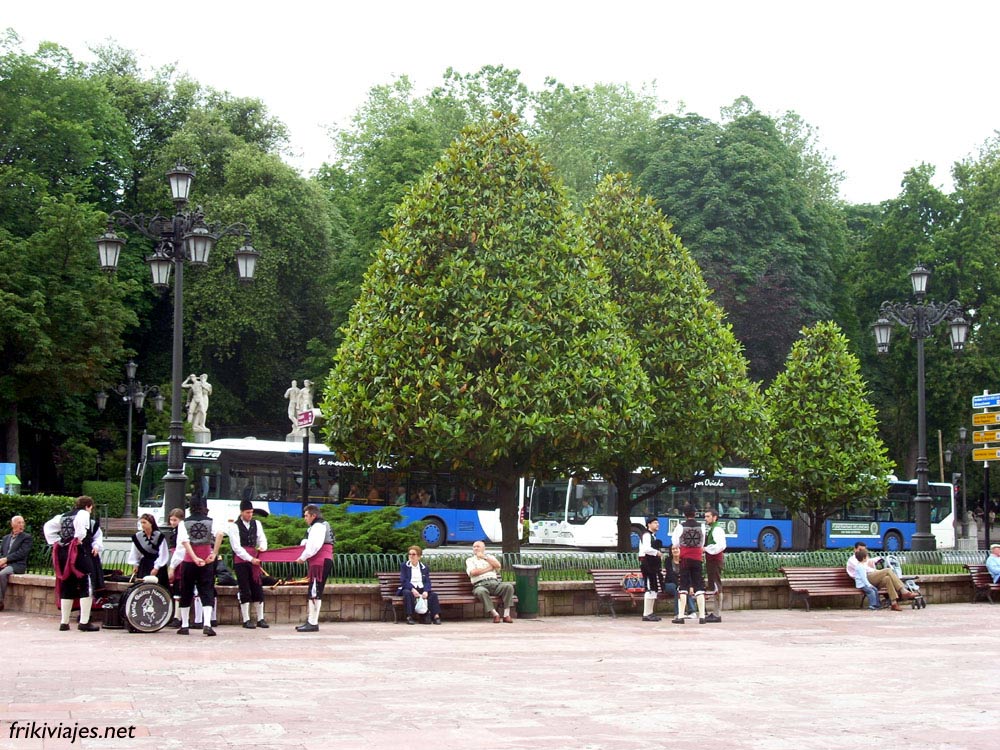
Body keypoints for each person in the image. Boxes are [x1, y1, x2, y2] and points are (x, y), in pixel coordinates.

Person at [42, 496, 100, 631]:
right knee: (87, 582)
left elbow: (47, 527)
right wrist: (77, 539)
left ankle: (64, 622)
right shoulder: (84, 513)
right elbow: (80, 531)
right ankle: (84, 622)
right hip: (78, 552)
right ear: (89, 506)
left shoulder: (62, 516)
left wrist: (57, 541)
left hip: (64, 552)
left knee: (67, 583)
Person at [175, 500, 224, 635]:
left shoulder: (183, 523)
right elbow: (220, 534)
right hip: (207, 561)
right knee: (207, 590)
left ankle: (184, 625)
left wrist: (194, 557)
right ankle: (207, 623)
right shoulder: (211, 521)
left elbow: (185, 541)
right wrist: (214, 554)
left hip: (189, 561)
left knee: (186, 591)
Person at [229, 499, 269, 629]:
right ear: (241, 512)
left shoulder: (256, 523)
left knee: (257, 586)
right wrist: (250, 558)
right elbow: (236, 547)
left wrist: (262, 547)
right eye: (247, 512)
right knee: (244, 587)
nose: (250, 515)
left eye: (251, 512)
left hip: (254, 559)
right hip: (241, 560)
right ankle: (246, 619)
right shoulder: (234, 526)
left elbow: (262, 538)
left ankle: (260, 618)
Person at [295, 504, 335, 632]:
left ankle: (312, 622)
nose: (305, 518)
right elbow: (308, 543)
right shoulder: (320, 525)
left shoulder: (318, 526)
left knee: (314, 591)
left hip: (320, 562)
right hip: (322, 561)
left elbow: (314, 546)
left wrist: (303, 557)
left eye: (306, 516)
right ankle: (311, 620)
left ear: (314, 515)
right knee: (315, 590)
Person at [845, 542, 917, 611]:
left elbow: (871, 567)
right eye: (860, 550)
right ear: (855, 549)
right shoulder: (852, 560)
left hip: (871, 578)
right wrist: (878, 571)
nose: (862, 551)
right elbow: (865, 570)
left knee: (887, 579)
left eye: (864, 550)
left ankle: (894, 603)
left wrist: (874, 564)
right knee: (887, 570)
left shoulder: (864, 557)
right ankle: (903, 590)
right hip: (865, 580)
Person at [670, 505, 707, 624]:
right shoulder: (702, 526)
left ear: (684, 515)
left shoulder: (680, 527)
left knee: (683, 586)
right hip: (697, 558)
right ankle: (702, 616)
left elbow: (675, 543)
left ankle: (680, 616)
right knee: (699, 586)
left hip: (685, 558)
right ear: (695, 514)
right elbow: (702, 543)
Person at [465, 540, 514, 623]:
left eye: (478, 546)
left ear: (484, 548)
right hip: (480, 584)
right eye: (474, 547)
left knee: (508, 587)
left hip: (495, 583)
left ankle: (506, 615)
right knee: (481, 591)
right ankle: (495, 614)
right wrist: (489, 568)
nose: (475, 548)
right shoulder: (470, 560)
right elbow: (473, 573)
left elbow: (498, 565)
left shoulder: (490, 558)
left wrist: (484, 558)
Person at [397, 545, 442, 624]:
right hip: (409, 588)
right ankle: (409, 616)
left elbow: (427, 581)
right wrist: (412, 589)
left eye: (413, 554)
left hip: (421, 588)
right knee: (407, 593)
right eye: (409, 554)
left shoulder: (424, 567)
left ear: (419, 556)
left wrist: (426, 591)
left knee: (433, 595)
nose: (411, 556)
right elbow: (404, 580)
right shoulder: (404, 566)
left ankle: (436, 616)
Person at [0, 515, 32, 611]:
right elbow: (1, 552)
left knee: (2, 574)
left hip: (17, 565)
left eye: (22, 523)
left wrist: (7, 560)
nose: (21, 525)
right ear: (12, 524)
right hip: (5, 563)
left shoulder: (27, 538)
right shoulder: (6, 538)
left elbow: (22, 553)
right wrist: (2, 560)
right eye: (19, 523)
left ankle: (0, 602)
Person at [126, 514, 169, 585]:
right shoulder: (138, 537)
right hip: (145, 565)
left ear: (151, 523)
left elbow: (163, 553)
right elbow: (135, 552)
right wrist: (135, 564)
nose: (142, 525)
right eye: (141, 523)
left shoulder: (159, 536)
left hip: (158, 564)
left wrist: (156, 568)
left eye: (144, 522)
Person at [638, 517, 664, 622]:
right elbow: (646, 549)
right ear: (649, 524)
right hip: (647, 564)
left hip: (652, 564)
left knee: (653, 587)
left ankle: (650, 612)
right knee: (649, 587)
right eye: (655, 523)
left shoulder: (652, 536)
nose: (657, 525)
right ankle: (646, 613)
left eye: (658, 523)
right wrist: (657, 552)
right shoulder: (646, 535)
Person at [703, 508, 726, 623]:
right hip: (712, 559)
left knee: (716, 584)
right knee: (714, 584)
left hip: (715, 560)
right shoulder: (713, 529)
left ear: (714, 517)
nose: (705, 518)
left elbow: (721, 545)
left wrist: (706, 549)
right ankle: (716, 613)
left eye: (708, 516)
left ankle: (717, 614)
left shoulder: (717, 529)